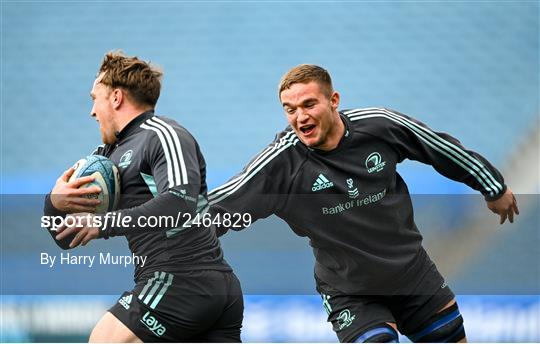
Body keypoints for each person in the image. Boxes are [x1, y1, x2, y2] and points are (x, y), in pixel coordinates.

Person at [208, 64, 519, 343]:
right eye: (290, 110)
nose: (299, 117)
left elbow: (435, 145)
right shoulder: (281, 164)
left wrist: (492, 186)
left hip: (413, 274)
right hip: (351, 292)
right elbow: (223, 204)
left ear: (334, 100)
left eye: (308, 104)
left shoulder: (379, 126)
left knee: (446, 336)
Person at [43, 51, 243, 342]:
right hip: (200, 287)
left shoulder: (163, 134)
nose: (92, 112)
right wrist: (54, 203)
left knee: (104, 340)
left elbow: (180, 202)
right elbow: (64, 238)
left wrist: (104, 224)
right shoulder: (105, 159)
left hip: (182, 277)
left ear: (115, 97)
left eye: (93, 98)